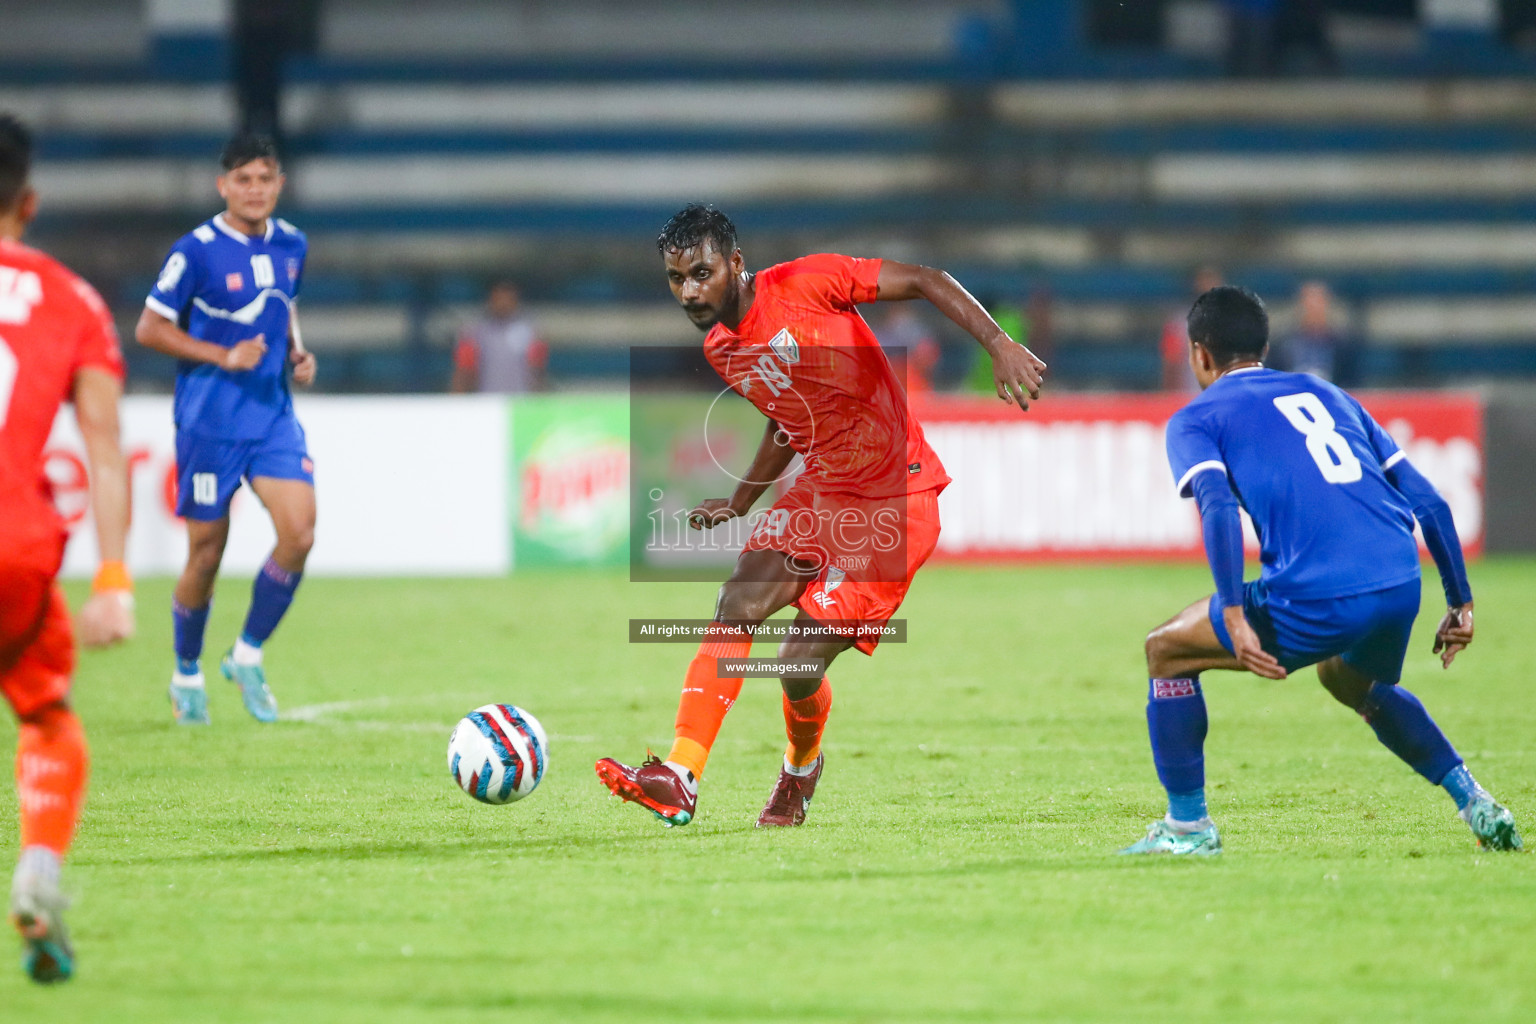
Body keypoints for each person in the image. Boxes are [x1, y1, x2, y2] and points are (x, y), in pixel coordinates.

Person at [595, 204, 1045, 828]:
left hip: (896, 500)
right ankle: (681, 773)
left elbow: (924, 278)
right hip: (822, 493)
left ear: (735, 264)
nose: (690, 291)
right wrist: (739, 502)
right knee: (736, 603)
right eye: (677, 279)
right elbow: (790, 419)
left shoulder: (810, 282)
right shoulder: (723, 350)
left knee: (797, 663)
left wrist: (998, 342)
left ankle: (800, 770)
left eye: (701, 272)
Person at [1122, 285, 1519, 856]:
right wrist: (1461, 602)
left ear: (1199, 355)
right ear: (1263, 344)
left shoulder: (1197, 417)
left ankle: (1188, 829)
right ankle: (1476, 800)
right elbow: (1429, 502)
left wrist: (1233, 612)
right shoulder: (1325, 391)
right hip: (1399, 583)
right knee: (1348, 678)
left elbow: (1217, 505)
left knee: (1165, 649)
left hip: (1318, 592)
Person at [0, 113, 135, 982]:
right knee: (47, 716)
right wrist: (114, 577)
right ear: (30, 199)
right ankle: (38, 877)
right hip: (15, 546)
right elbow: (103, 447)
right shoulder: (73, 300)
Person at [136, 133, 316, 726]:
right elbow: (149, 328)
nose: (255, 189)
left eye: (265, 178)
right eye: (243, 179)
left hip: (271, 417)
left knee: (299, 532)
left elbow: (282, 302)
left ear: (279, 185)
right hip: (209, 423)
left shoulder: (293, 243)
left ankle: (246, 654)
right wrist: (222, 356)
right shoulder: (197, 250)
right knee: (206, 555)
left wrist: (296, 351)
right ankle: (186, 670)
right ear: (224, 186)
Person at [450, 280, 547, 394]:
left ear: (515, 301)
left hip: (520, 400)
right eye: (499, 299)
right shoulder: (474, 333)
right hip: (486, 401)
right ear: (491, 300)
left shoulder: (530, 333)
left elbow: (537, 372)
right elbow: (463, 372)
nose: (503, 304)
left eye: (507, 299)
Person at [1273, 279, 1341, 382]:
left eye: (1318, 302)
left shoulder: (1343, 346)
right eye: (1309, 302)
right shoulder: (1283, 345)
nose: (1313, 307)